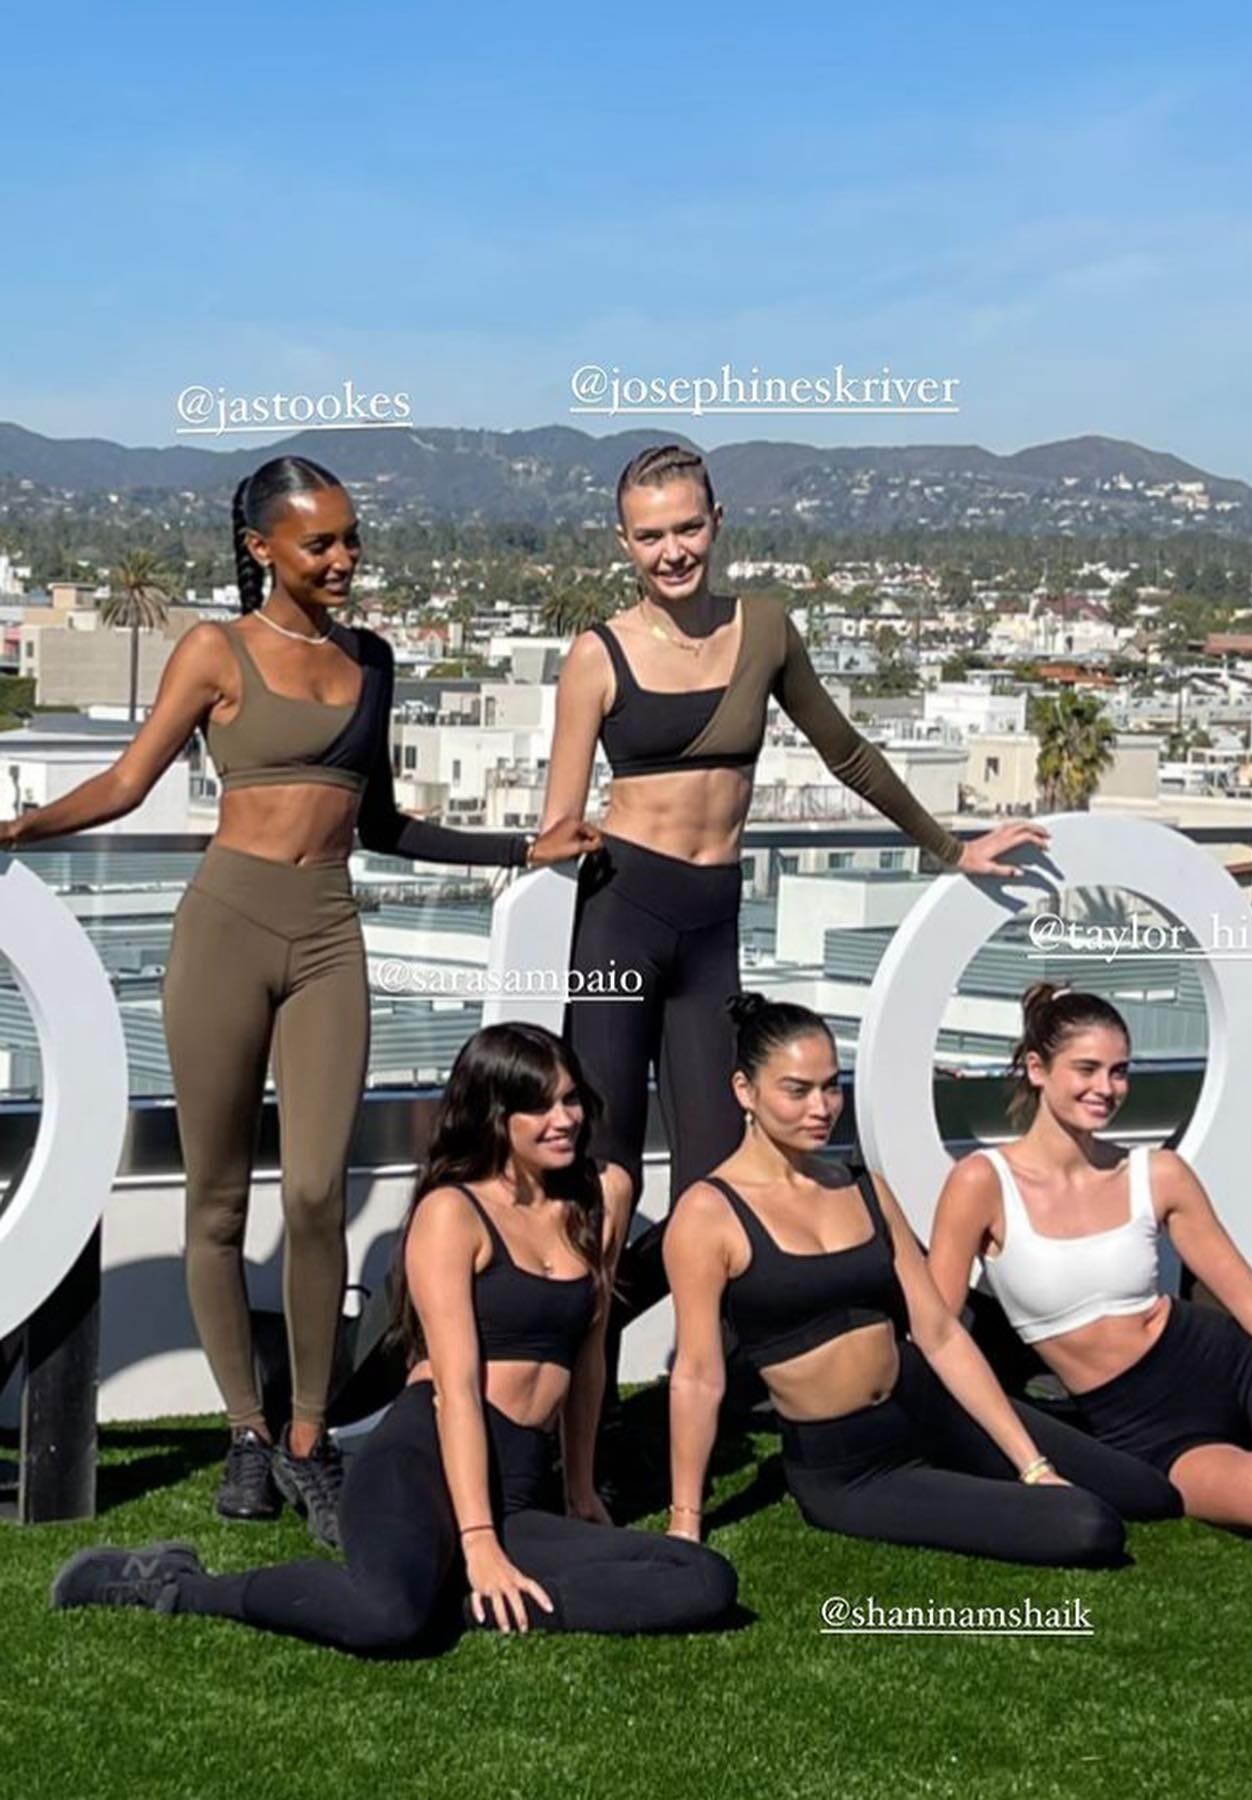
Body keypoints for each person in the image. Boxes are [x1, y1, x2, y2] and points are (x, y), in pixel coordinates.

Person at [2, 455, 599, 1546]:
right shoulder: (213, 649)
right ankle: (246, 1431)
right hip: (223, 930)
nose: (343, 558)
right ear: (260, 548)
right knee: (219, 1201)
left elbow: (384, 824)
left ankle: (309, 1437)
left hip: (329, 936)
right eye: (319, 541)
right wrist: (18, 828)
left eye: (351, 537)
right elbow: (128, 782)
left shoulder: (372, 660)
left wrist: (523, 846)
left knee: (319, 1190)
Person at [538, 441, 1049, 1394]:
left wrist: (950, 848)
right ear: (622, 543)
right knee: (606, 1178)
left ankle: (710, 1377)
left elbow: (845, 752)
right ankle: (580, 1400)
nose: (671, 551)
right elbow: (558, 827)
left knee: (717, 1181)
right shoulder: (597, 656)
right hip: (619, 922)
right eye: (649, 536)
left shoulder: (766, 629)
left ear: (717, 522)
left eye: (687, 527)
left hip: (711, 927)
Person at [51, 1024, 737, 1649]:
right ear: (495, 1114)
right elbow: (456, 1390)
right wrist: (478, 1540)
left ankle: (465, 1604)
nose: (565, 1120)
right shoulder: (451, 1213)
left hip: (521, 1483)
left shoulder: (599, 1194)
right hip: (422, 1461)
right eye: (540, 1107)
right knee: (388, 1618)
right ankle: (176, 1583)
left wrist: (580, 1491)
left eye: (571, 1100)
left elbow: (588, 1358)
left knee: (703, 1578)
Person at [662, 995, 1181, 1567]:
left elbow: (939, 1332)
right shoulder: (708, 1214)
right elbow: (698, 1374)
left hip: (923, 1403)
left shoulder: (864, 1187)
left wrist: (1033, 1466)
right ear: (745, 1091)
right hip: (850, 1468)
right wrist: (686, 1520)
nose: (822, 1107)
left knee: (1149, 1493)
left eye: (831, 1087)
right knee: (1088, 1526)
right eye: (798, 1090)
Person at [928, 983, 1252, 1543]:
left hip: (1234, 1366)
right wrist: (1031, 1464)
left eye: (1119, 1071)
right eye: (1087, 1069)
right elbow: (938, 1334)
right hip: (1140, 1426)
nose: (1106, 1088)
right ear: (1036, 1069)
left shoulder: (1157, 1173)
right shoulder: (981, 1183)